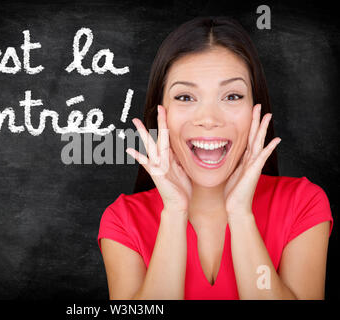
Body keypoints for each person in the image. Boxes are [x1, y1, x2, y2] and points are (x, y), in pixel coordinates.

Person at [97, 16, 333, 300]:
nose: (208, 119)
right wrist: (174, 215)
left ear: (255, 110)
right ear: (162, 114)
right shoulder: (123, 220)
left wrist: (241, 215)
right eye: (185, 97)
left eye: (232, 96)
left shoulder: (303, 203)